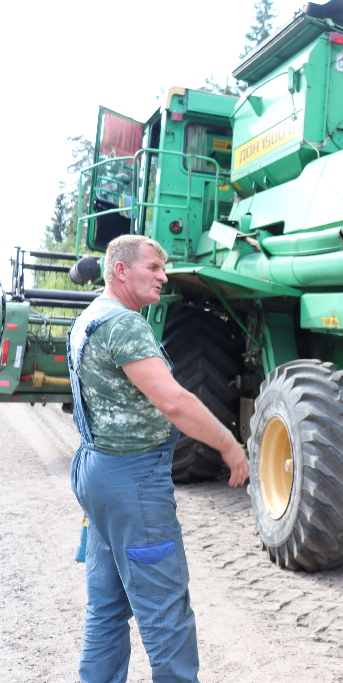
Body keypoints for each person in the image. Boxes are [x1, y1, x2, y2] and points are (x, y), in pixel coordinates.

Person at [68, 234, 249, 683]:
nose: (164, 277)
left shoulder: (88, 318)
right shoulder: (124, 325)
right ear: (120, 270)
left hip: (97, 473)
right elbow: (174, 401)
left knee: (108, 607)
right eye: (153, 267)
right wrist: (229, 444)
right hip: (132, 482)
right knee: (166, 610)